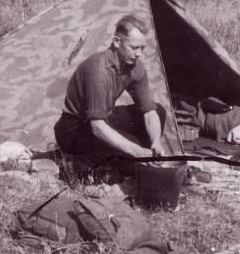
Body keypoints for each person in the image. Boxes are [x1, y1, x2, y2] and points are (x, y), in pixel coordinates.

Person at [54, 14, 166, 183]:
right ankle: (77, 165)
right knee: (130, 145)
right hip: (74, 128)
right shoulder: (99, 71)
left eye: (142, 48)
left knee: (159, 111)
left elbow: (149, 112)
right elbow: (97, 127)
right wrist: (136, 150)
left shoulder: (136, 67)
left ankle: (128, 161)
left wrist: (156, 142)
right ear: (116, 42)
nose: (139, 54)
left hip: (102, 118)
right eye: (134, 47)